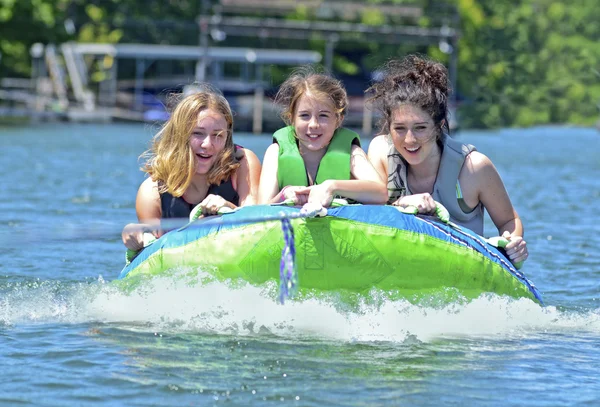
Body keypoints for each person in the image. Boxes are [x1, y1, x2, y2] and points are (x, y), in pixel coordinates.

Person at [366, 55, 528, 265]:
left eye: (420, 128)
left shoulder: (474, 168)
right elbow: (367, 213)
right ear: (389, 127)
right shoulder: (380, 151)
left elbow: (508, 220)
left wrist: (513, 241)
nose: (409, 140)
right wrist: (399, 204)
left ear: (440, 125)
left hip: (461, 268)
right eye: (399, 129)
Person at [122, 85, 261, 252]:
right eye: (198, 133)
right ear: (179, 135)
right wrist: (135, 235)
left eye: (218, 135)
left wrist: (230, 209)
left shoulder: (243, 163)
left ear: (227, 136)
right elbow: (151, 251)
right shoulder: (152, 193)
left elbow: (256, 219)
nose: (207, 144)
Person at [258, 68, 387, 207]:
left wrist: (332, 186)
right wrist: (284, 195)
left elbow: (381, 194)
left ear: (338, 120)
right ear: (292, 119)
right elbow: (261, 207)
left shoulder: (351, 152)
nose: (313, 124)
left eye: (323, 116)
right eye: (304, 116)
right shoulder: (275, 152)